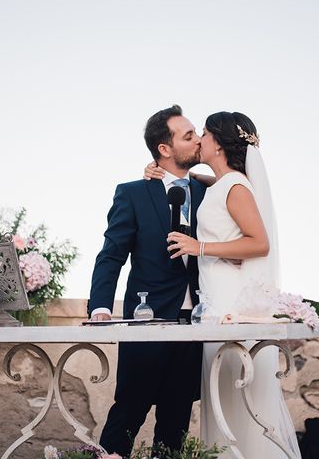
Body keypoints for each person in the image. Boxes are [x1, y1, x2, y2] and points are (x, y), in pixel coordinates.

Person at [161, 111, 301, 458]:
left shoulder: (236, 186)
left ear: (219, 144)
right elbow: (217, 189)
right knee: (222, 400)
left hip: (229, 307)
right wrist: (173, 173)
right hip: (215, 304)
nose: (200, 140)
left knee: (237, 401)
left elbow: (259, 243)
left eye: (205, 133)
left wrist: (199, 247)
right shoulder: (225, 183)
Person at [88, 105, 206, 457]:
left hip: (196, 323)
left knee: (176, 422)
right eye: (188, 136)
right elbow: (112, 254)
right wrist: (101, 306)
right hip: (146, 320)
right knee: (127, 414)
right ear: (164, 150)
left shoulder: (210, 193)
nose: (198, 139)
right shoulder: (134, 193)